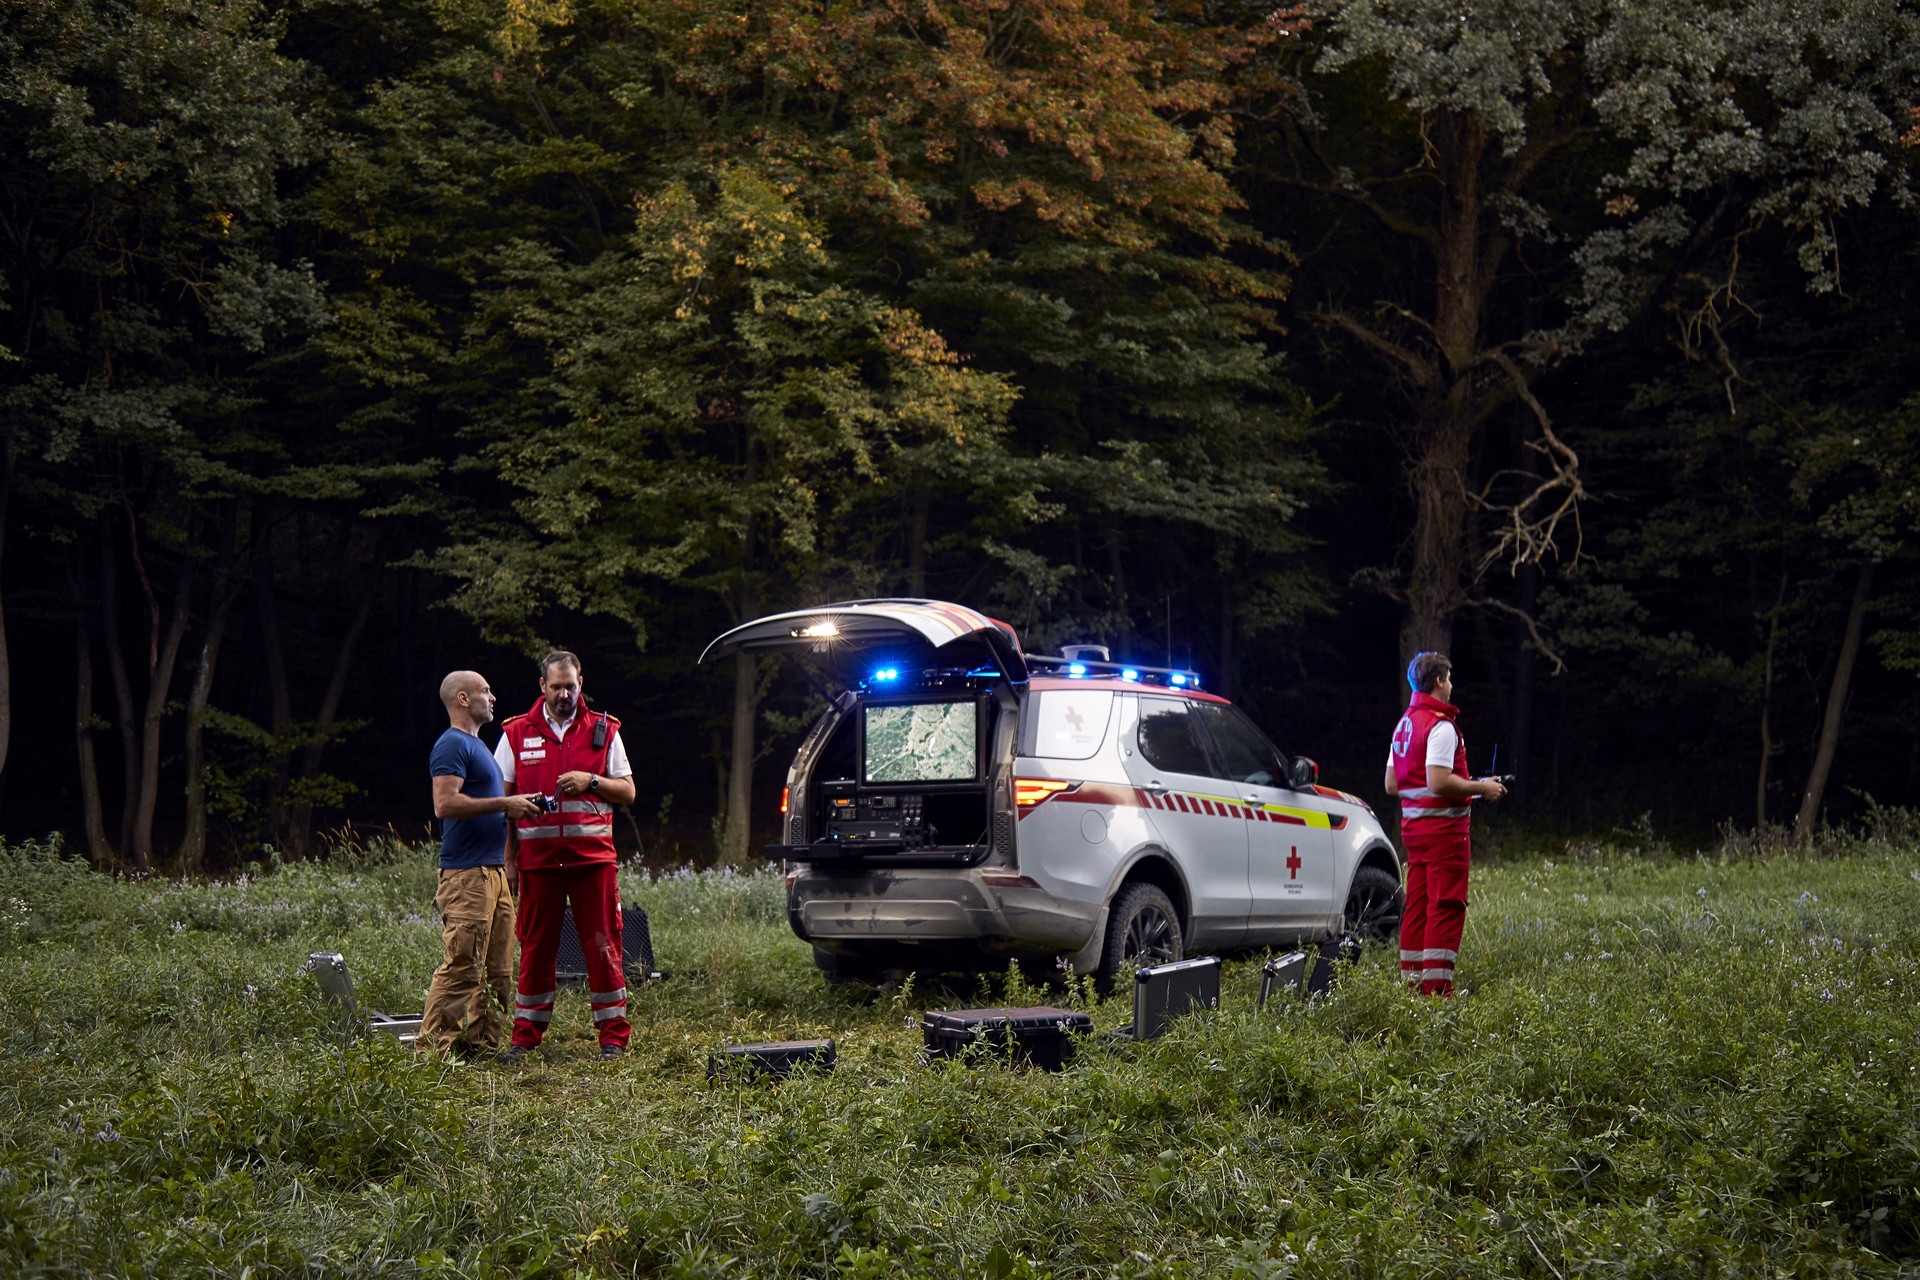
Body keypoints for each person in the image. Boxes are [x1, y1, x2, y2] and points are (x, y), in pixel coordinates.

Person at [494, 650, 638, 1060]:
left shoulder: (604, 731)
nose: (563, 694)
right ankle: (524, 1038)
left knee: (603, 944)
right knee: (536, 947)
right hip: (537, 865)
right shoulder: (515, 734)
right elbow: (500, 804)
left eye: (570, 686)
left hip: (593, 861)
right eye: (556, 687)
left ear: (581, 683)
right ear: (542, 686)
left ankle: (613, 1037)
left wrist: (591, 780)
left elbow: (627, 791)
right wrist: (509, 860)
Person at [424, 671, 541, 1056]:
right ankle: (432, 1055)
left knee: (497, 972)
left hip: (493, 872)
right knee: (462, 965)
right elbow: (445, 804)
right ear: (462, 699)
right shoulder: (451, 745)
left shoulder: (479, 748)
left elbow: (486, 804)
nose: (492, 697)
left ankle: (484, 1048)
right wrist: (506, 803)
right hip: (467, 874)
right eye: (485, 691)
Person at [1384, 651, 1505, 997]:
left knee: (1418, 905)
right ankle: (1436, 991)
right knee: (1446, 905)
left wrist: (1466, 784)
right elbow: (1439, 781)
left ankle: (1412, 984)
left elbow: (1393, 784)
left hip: (1416, 835)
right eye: (1449, 678)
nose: (1451, 685)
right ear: (1438, 681)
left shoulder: (1405, 724)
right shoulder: (1440, 725)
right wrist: (1481, 788)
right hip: (1444, 836)